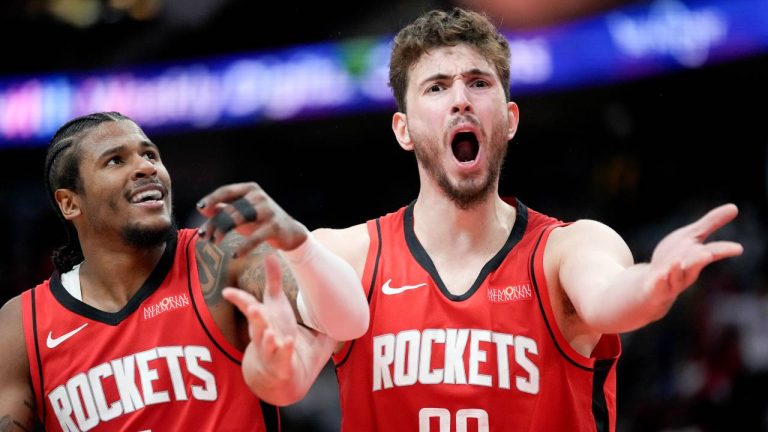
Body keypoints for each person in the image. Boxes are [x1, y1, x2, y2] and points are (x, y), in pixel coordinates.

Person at [207, 7, 744, 432]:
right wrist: (269, 361)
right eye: (436, 87)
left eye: (479, 83)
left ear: (509, 120)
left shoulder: (567, 249)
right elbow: (286, 380)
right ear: (404, 129)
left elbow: (611, 297)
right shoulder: (349, 254)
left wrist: (655, 282)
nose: (461, 100)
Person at [0, 111, 369, 431]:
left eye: (150, 155)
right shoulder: (21, 325)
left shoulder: (220, 254)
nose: (146, 167)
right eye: (115, 160)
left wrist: (299, 245)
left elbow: (343, 319)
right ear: (69, 202)